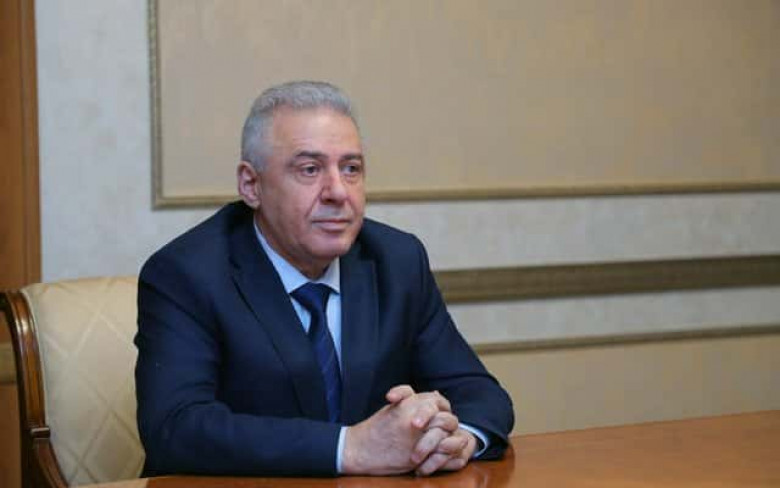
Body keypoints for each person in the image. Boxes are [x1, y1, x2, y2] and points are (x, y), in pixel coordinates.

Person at [135, 81, 514, 477]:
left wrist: (458, 439)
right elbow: (175, 428)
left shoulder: (396, 261)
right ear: (251, 185)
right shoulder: (186, 273)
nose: (337, 192)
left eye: (351, 169)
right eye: (310, 169)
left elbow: (480, 394)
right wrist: (350, 447)